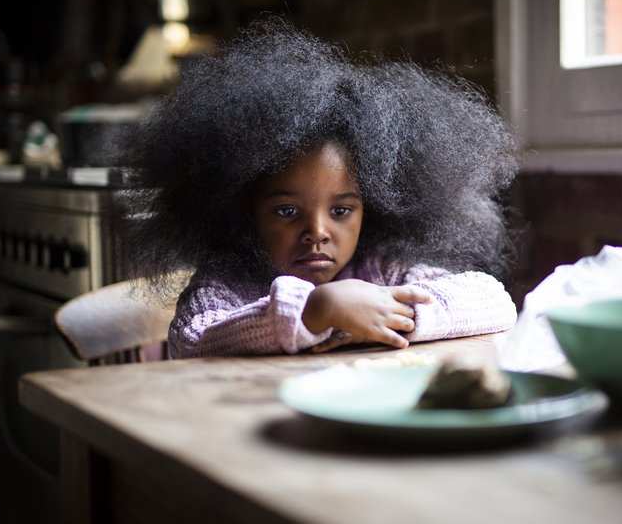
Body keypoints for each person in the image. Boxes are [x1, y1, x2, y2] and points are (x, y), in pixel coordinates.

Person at [120, 19, 519, 358]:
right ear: (241, 209)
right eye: (287, 211)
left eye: (341, 210)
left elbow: (495, 302)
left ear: (373, 206)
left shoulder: (382, 268)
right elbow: (195, 341)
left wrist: (400, 315)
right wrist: (315, 310)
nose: (318, 231)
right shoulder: (226, 282)